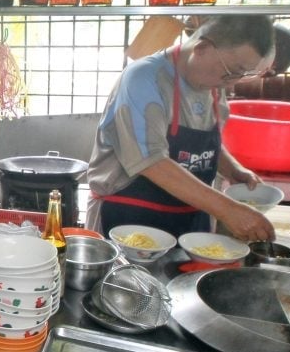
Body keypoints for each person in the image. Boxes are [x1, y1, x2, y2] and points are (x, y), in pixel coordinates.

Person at [85, 15, 277, 242]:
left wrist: (232, 168)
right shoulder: (144, 79)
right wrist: (228, 210)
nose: (232, 82)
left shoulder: (213, 83)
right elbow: (151, 162)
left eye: (242, 75)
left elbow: (204, 141)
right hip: (128, 219)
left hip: (191, 221)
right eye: (232, 71)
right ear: (202, 48)